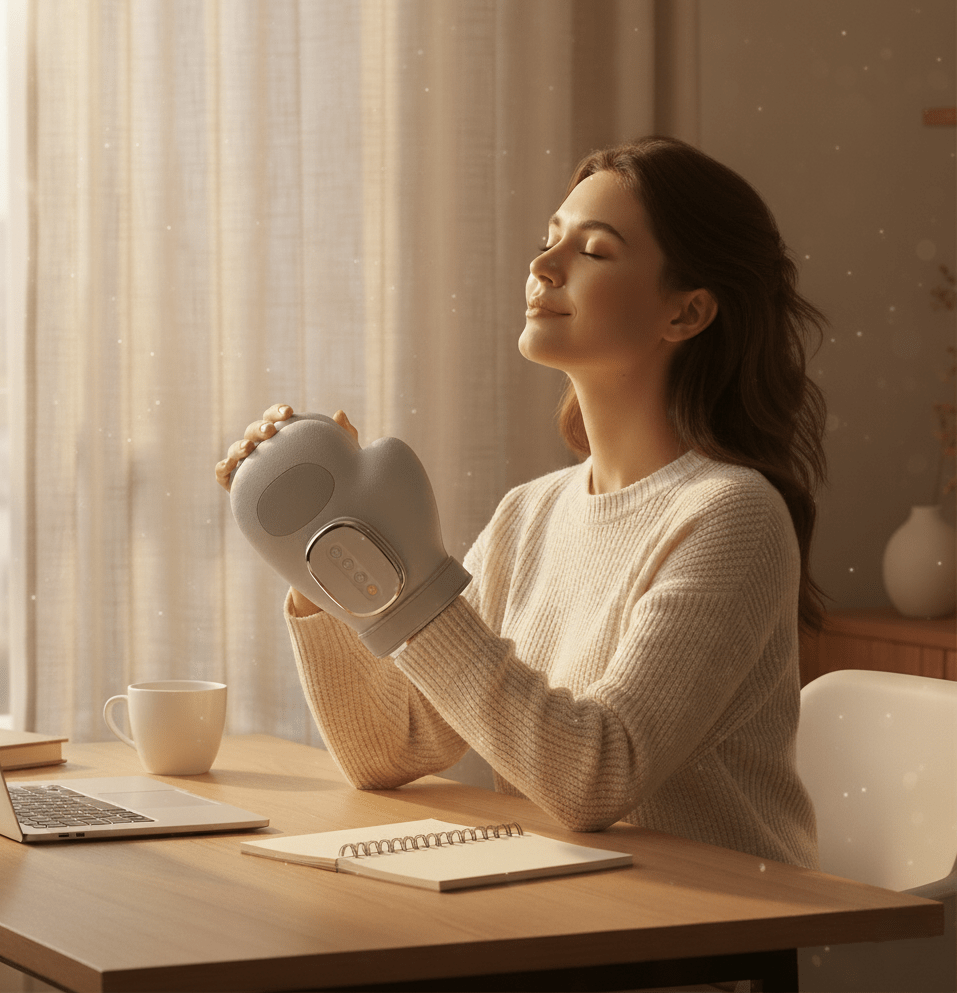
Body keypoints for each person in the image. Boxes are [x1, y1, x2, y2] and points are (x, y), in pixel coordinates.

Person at [216, 137, 826, 870]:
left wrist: (412, 577)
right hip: (567, 914)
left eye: (594, 250)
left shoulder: (731, 516)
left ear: (687, 313)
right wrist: (320, 553)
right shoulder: (531, 513)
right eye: (549, 240)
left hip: (710, 944)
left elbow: (597, 777)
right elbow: (392, 746)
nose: (542, 266)